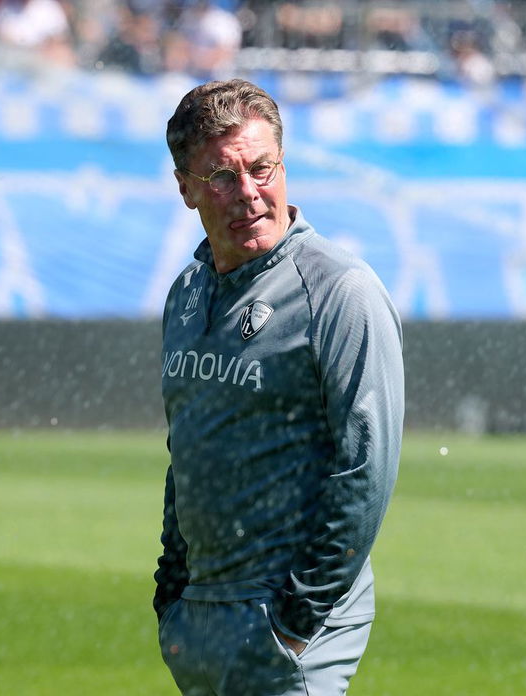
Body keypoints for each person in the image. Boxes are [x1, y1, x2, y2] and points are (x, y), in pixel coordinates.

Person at [154, 79, 404, 696]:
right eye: (221, 176)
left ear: (283, 165)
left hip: (288, 623)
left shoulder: (339, 291)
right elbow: (187, 444)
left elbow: (366, 468)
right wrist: (171, 594)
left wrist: (294, 623)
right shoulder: (187, 295)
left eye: (261, 168)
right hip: (202, 618)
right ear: (186, 189)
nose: (248, 193)